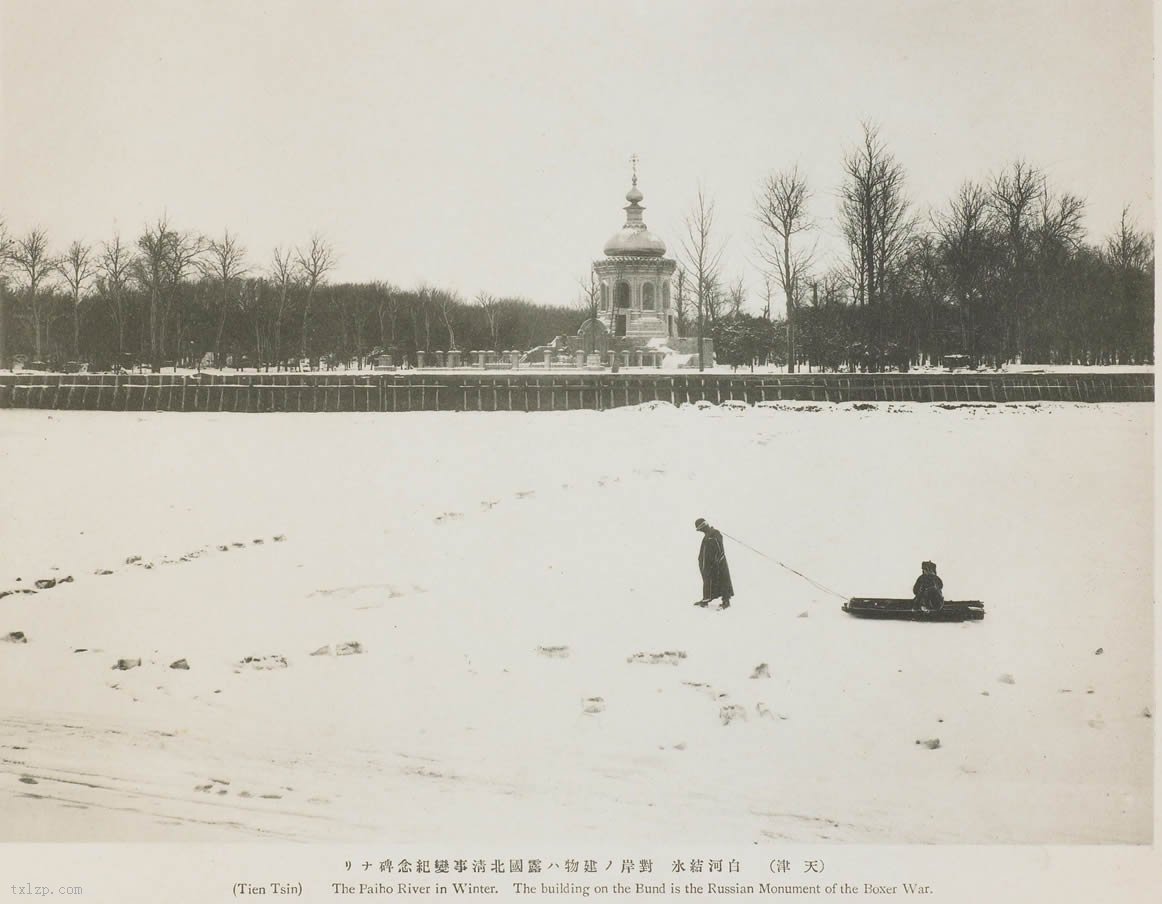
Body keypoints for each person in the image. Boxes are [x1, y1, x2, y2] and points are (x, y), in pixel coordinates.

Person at [694, 517, 734, 609]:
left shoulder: (715, 534)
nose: (700, 531)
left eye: (700, 529)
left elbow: (719, 549)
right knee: (708, 580)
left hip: (718, 563)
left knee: (723, 580)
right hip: (710, 564)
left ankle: (726, 601)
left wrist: (717, 561)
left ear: (703, 526)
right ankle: (706, 599)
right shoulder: (708, 535)